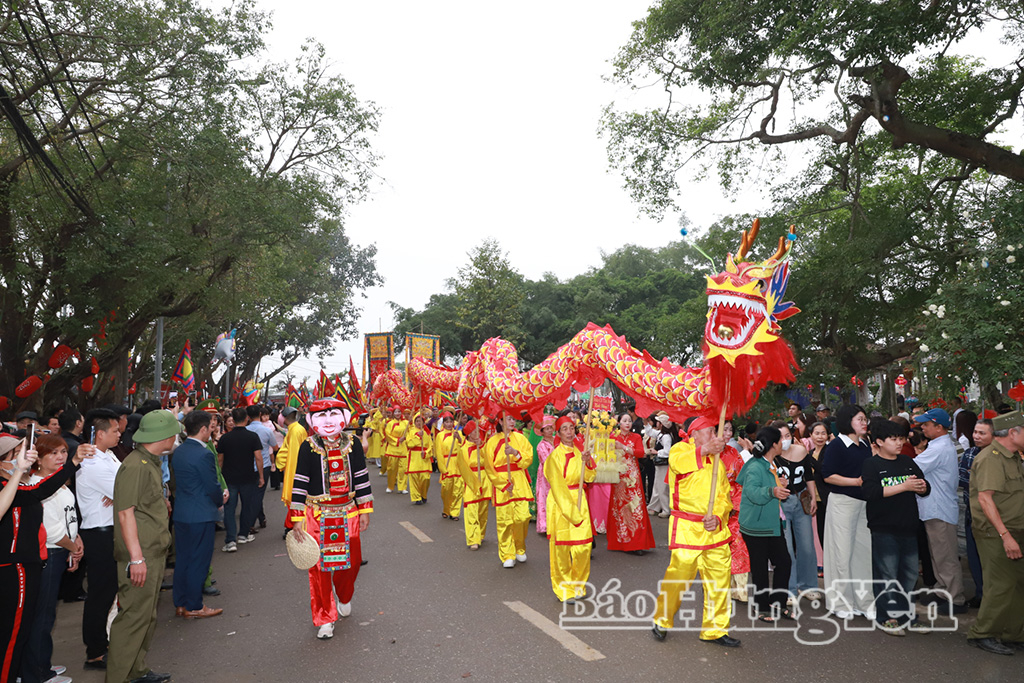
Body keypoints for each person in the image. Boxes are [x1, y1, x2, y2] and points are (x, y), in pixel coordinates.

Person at [2, 437, 88, 683]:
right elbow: (40, 500)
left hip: (28, 562)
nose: (25, 457)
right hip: (18, 564)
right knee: (21, 627)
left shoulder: (19, 484)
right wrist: (72, 462)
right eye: (18, 454)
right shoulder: (15, 486)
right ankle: (29, 673)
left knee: (25, 625)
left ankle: (26, 670)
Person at [287, 398, 373, 640]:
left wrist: (365, 509)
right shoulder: (308, 446)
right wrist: (297, 517)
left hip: (348, 511)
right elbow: (300, 480)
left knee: (352, 562)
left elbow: (361, 475)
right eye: (321, 416)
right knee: (319, 569)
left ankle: (344, 596)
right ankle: (325, 617)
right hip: (316, 514)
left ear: (343, 418)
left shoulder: (354, 443)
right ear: (313, 421)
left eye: (333, 415)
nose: (328, 421)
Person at [651, 417, 739, 647]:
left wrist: (719, 517)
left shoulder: (718, 461)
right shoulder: (681, 449)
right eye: (711, 431)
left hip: (714, 530)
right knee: (678, 578)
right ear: (695, 433)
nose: (715, 435)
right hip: (688, 528)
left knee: (720, 580)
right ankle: (662, 618)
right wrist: (704, 451)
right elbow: (678, 465)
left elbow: (724, 497)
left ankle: (715, 629)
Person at [106, 410, 179, 683]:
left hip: (152, 551)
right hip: (141, 555)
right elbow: (125, 513)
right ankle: (118, 677)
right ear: (165, 436)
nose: (176, 437)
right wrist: (136, 559)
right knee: (134, 618)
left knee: (146, 617)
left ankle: (136, 671)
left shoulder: (149, 462)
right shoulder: (135, 466)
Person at [860, 418, 931, 636]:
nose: (899, 443)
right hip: (884, 528)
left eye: (901, 439)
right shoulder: (871, 465)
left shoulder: (908, 461)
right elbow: (870, 493)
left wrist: (920, 488)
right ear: (879, 441)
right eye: (893, 439)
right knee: (886, 575)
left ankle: (906, 615)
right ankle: (886, 617)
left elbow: (924, 487)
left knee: (909, 575)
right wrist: (905, 486)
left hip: (909, 526)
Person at [966, 410, 1024, 656]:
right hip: (996, 532)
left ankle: (1013, 634)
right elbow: (985, 499)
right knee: (1000, 584)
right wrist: (1005, 536)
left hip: (1015, 528)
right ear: (1013, 432)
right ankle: (983, 633)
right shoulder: (991, 458)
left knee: (1017, 585)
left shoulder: (1013, 457)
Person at [76, 408, 124, 671]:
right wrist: (121, 494)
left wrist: (121, 493)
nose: (120, 434)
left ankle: (102, 642)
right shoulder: (92, 463)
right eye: (115, 430)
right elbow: (129, 491)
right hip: (99, 534)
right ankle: (94, 652)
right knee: (100, 596)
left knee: (109, 593)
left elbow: (125, 488)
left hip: (111, 530)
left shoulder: (109, 456)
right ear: (100, 433)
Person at [821, 404, 874, 619]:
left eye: (865, 419)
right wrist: (856, 482)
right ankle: (841, 603)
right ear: (847, 421)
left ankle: (865, 602)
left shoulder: (864, 444)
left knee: (863, 554)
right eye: (860, 419)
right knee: (841, 554)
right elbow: (827, 475)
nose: (864, 423)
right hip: (842, 502)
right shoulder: (836, 446)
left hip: (863, 504)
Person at [170, 411, 224, 620]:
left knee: (183, 559)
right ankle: (194, 604)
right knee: (199, 561)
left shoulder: (180, 450)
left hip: (183, 512)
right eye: (210, 428)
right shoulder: (204, 454)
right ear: (202, 429)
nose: (212, 431)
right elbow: (212, 485)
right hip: (200, 514)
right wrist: (220, 500)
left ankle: (181, 602)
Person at [912, 408, 966, 613]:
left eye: (927, 424)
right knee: (938, 553)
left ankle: (955, 597)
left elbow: (914, 468)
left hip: (939, 509)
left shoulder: (938, 448)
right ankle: (943, 590)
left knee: (945, 555)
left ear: (939, 427)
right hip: (936, 507)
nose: (923, 427)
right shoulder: (939, 445)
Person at [737, 425, 793, 622]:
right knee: (760, 567)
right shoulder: (755, 466)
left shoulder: (771, 463)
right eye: (781, 440)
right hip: (755, 525)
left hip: (772, 523)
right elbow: (752, 492)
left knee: (784, 562)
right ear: (774, 444)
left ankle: (778, 602)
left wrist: (779, 485)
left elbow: (768, 486)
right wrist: (773, 491)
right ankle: (761, 606)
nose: (785, 443)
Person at [544, 416, 596, 602]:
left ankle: (578, 585)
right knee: (561, 550)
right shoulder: (553, 458)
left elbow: (590, 477)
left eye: (571, 428)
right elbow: (558, 488)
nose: (569, 432)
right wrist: (571, 512)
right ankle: (563, 589)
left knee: (583, 547)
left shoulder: (580, 453)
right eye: (564, 428)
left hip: (580, 500)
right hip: (561, 505)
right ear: (558, 433)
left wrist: (587, 462)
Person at [772, 421, 819, 597]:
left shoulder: (800, 451)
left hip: (801, 500)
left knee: (807, 546)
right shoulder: (770, 457)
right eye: (780, 437)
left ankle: (808, 586)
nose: (784, 440)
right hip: (781, 504)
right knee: (787, 548)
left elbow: (809, 475)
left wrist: (813, 497)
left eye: (787, 436)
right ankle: (789, 589)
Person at [484, 413, 534, 568]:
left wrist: (515, 453)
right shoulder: (492, 442)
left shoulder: (521, 438)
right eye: (509, 419)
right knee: (505, 521)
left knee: (523, 517)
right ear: (500, 420)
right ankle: (507, 553)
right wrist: (503, 484)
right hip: (503, 484)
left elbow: (528, 459)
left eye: (513, 419)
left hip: (519, 481)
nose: (513, 421)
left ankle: (519, 547)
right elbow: (489, 468)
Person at [217, 407, 264, 552]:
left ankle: (230, 540)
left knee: (229, 509)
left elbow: (220, 460)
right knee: (246, 506)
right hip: (248, 477)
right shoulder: (252, 437)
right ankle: (243, 535)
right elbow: (258, 458)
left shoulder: (225, 438)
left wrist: (219, 477)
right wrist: (261, 476)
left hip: (229, 478)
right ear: (246, 419)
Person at [608, 412, 655, 554]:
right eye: (624, 421)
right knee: (620, 509)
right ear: (619, 423)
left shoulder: (636, 437)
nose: (628, 423)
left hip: (632, 477)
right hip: (618, 477)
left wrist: (623, 447)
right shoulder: (612, 437)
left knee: (636, 508)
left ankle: (637, 543)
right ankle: (621, 542)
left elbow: (641, 453)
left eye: (629, 421)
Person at [958, 418, 993, 608]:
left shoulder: (1000, 456)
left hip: (993, 514)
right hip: (972, 510)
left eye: (982, 433)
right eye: (975, 432)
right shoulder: (970, 453)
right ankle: (980, 593)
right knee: (974, 555)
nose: (977, 437)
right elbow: (963, 479)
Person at [456, 420, 491, 550]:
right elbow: (463, 468)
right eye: (475, 432)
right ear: (470, 434)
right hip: (471, 482)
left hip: (484, 480)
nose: (478, 434)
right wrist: (473, 483)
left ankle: (480, 534)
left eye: (479, 432)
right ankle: (473, 538)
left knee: (482, 510)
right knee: (471, 509)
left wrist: (481, 446)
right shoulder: (463, 449)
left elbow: (489, 461)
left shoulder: (484, 446)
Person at [245, 405, 277, 531]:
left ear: (247, 416)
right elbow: (275, 448)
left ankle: (261, 517)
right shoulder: (266, 431)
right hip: (264, 465)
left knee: (254, 494)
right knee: (258, 495)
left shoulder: (245, 430)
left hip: (248, 466)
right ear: (259, 414)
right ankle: (251, 523)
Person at [434, 412, 465, 521]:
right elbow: (438, 452)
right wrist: (442, 468)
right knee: (446, 490)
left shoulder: (459, 433)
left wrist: (459, 440)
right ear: (443, 423)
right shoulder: (440, 435)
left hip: (457, 463)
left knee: (458, 489)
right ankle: (446, 509)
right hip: (446, 463)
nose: (449, 424)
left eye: (451, 421)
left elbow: (465, 447)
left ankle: (454, 512)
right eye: (446, 422)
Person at [647, 413, 675, 518]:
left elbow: (668, 451)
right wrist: (646, 422)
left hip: (664, 465)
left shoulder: (666, 437)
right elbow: (650, 432)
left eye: (658, 421)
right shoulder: (660, 434)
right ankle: (654, 507)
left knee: (662, 487)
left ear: (661, 424)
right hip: (660, 465)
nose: (656, 423)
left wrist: (656, 452)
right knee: (657, 485)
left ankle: (666, 509)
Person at [807, 421, 830, 551]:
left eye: (823, 433)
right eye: (817, 433)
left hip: (827, 498)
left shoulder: (830, 452)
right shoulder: (809, 454)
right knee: (821, 534)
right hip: (815, 499)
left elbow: (824, 471)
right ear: (811, 435)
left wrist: (809, 460)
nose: (820, 437)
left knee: (830, 535)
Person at [533, 417, 556, 535]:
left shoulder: (557, 440)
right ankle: (545, 525)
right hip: (546, 474)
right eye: (546, 429)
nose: (549, 430)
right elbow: (546, 461)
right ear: (541, 432)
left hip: (559, 472)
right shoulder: (541, 446)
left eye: (551, 428)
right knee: (544, 497)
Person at [405, 414, 434, 505]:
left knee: (425, 478)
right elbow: (409, 444)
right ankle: (416, 497)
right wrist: (417, 436)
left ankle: (423, 494)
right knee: (414, 478)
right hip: (414, 457)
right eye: (417, 421)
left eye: (420, 421)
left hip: (424, 457)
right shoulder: (411, 431)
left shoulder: (427, 432)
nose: (419, 423)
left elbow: (431, 446)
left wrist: (426, 453)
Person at [382, 406, 409, 494]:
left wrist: (406, 438)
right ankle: (390, 486)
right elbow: (388, 435)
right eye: (396, 412)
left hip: (403, 449)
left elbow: (410, 433)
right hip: (393, 449)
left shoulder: (406, 423)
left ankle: (402, 487)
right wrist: (397, 440)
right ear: (393, 413)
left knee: (403, 469)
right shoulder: (390, 423)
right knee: (392, 469)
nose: (398, 413)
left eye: (399, 412)